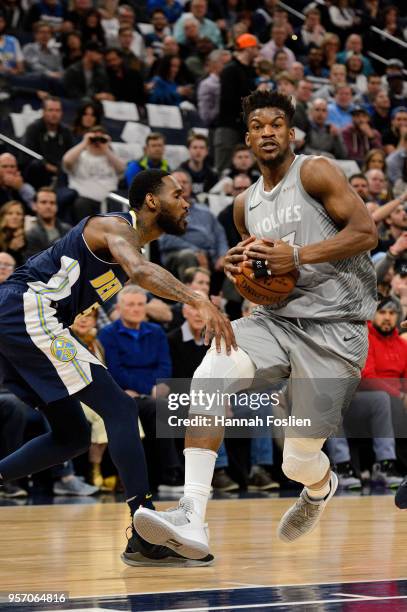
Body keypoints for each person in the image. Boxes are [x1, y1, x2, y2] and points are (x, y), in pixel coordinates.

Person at [133, 90, 377, 559]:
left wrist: (299, 254)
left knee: (297, 458)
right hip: (275, 320)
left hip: (337, 329)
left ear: (291, 132)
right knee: (209, 375)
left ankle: (321, 486)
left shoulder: (316, 171)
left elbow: (366, 233)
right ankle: (192, 516)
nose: (268, 131)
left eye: (277, 123)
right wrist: (242, 267)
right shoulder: (244, 204)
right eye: (259, 125)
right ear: (246, 138)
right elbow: (267, 275)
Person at [0, 168, 235, 566]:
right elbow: (142, 274)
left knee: (73, 435)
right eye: (178, 194)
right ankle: (144, 534)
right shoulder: (111, 226)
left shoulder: (132, 249)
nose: (186, 201)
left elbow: (140, 273)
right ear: (150, 201)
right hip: (25, 310)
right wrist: (199, 300)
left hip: (24, 319)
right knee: (121, 409)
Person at [62, 125, 125, 222]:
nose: (97, 142)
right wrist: (85, 142)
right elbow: (67, 161)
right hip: (83, 202)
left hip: (108, 202)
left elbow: (122, 169)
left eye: (101, 139)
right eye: (94, 138)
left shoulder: (111, 157)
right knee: (81, 204)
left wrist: (106, 148)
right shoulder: (80, 156)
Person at [25, 188, 71, 259]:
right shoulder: (30, 234)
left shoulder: (68, 229)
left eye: (52, 203)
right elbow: (34, 263)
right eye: (43, 202)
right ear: (34, 206)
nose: (48, 206)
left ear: (57, 207)